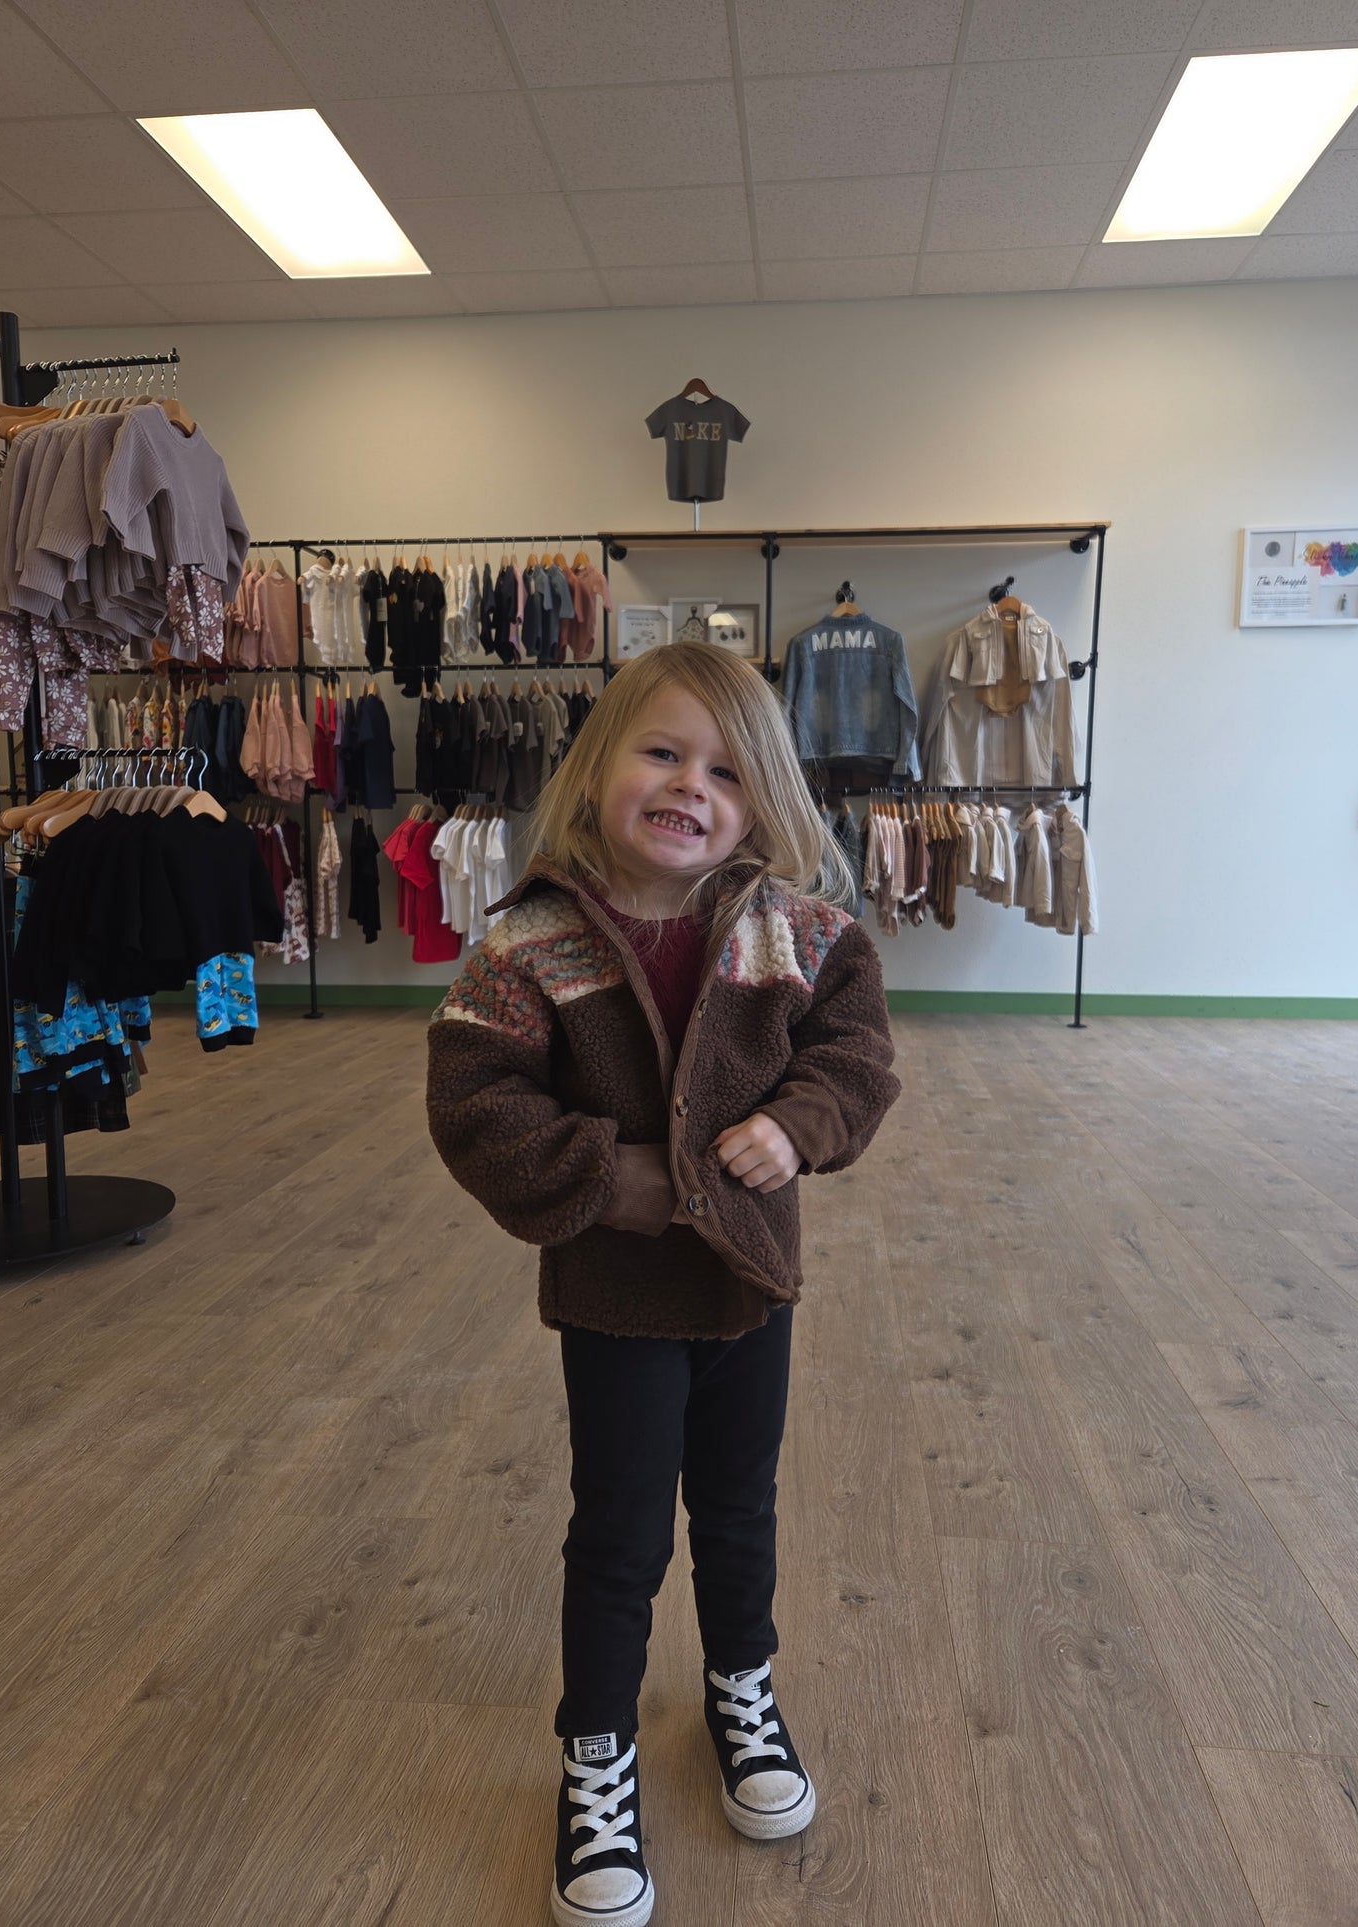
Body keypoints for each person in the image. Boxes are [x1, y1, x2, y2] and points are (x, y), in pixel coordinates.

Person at [426, 640, 899, 1927]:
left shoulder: (798, 933)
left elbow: (856, 1054)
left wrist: (797, 1122)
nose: (693, 784)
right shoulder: (527, 941)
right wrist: (614, 1177)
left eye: (728, 771)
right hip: (615, 1298)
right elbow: (472, 1100)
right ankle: (596, 1750)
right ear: (598, 766)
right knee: (619, 1532)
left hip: (748, 1284)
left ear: (762, 801)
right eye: (663, 752)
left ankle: (741, 1686)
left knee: (739, 1509)